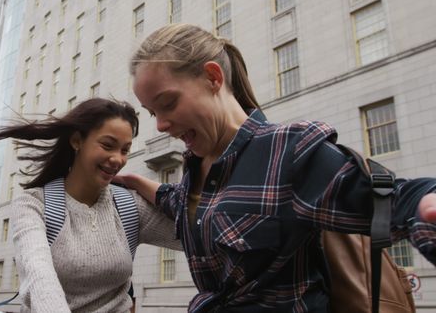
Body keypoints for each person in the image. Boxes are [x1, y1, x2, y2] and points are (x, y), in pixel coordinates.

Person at [115, 23, 436, 312]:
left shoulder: (288, 151)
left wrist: (424, 206)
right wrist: (133, 180)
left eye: (168, 103)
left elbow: (395, 200)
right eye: (151, 112)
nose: (160, 125)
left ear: (213, 77)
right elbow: (177, 200)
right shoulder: (194, 169)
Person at [0, 98, 182, 313]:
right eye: (108, 145)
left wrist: (151, 187)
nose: (117, 159)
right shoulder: (32, 205)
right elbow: (39, 278)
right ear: (76, 141)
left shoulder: (129, 206)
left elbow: (203, 233)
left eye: (125, 150)